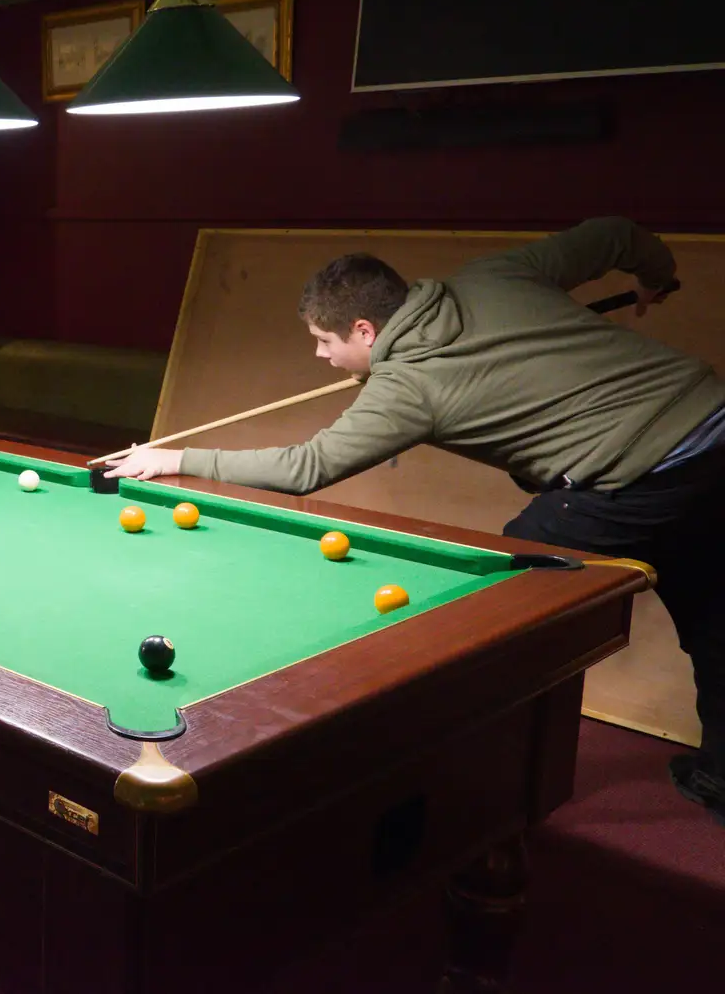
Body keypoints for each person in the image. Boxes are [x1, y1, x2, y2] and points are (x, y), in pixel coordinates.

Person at [107, 218, 725, 825]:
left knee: (502, 602)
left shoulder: (408, 387)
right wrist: (655, 277)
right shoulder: (494, 275)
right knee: (714, 614)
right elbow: (614, 235)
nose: (321, 355)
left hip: (639, 472)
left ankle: (481, 782)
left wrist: (173, 458)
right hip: (712, 425)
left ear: (364, 328)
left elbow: (306, 467)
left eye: (325, 340)